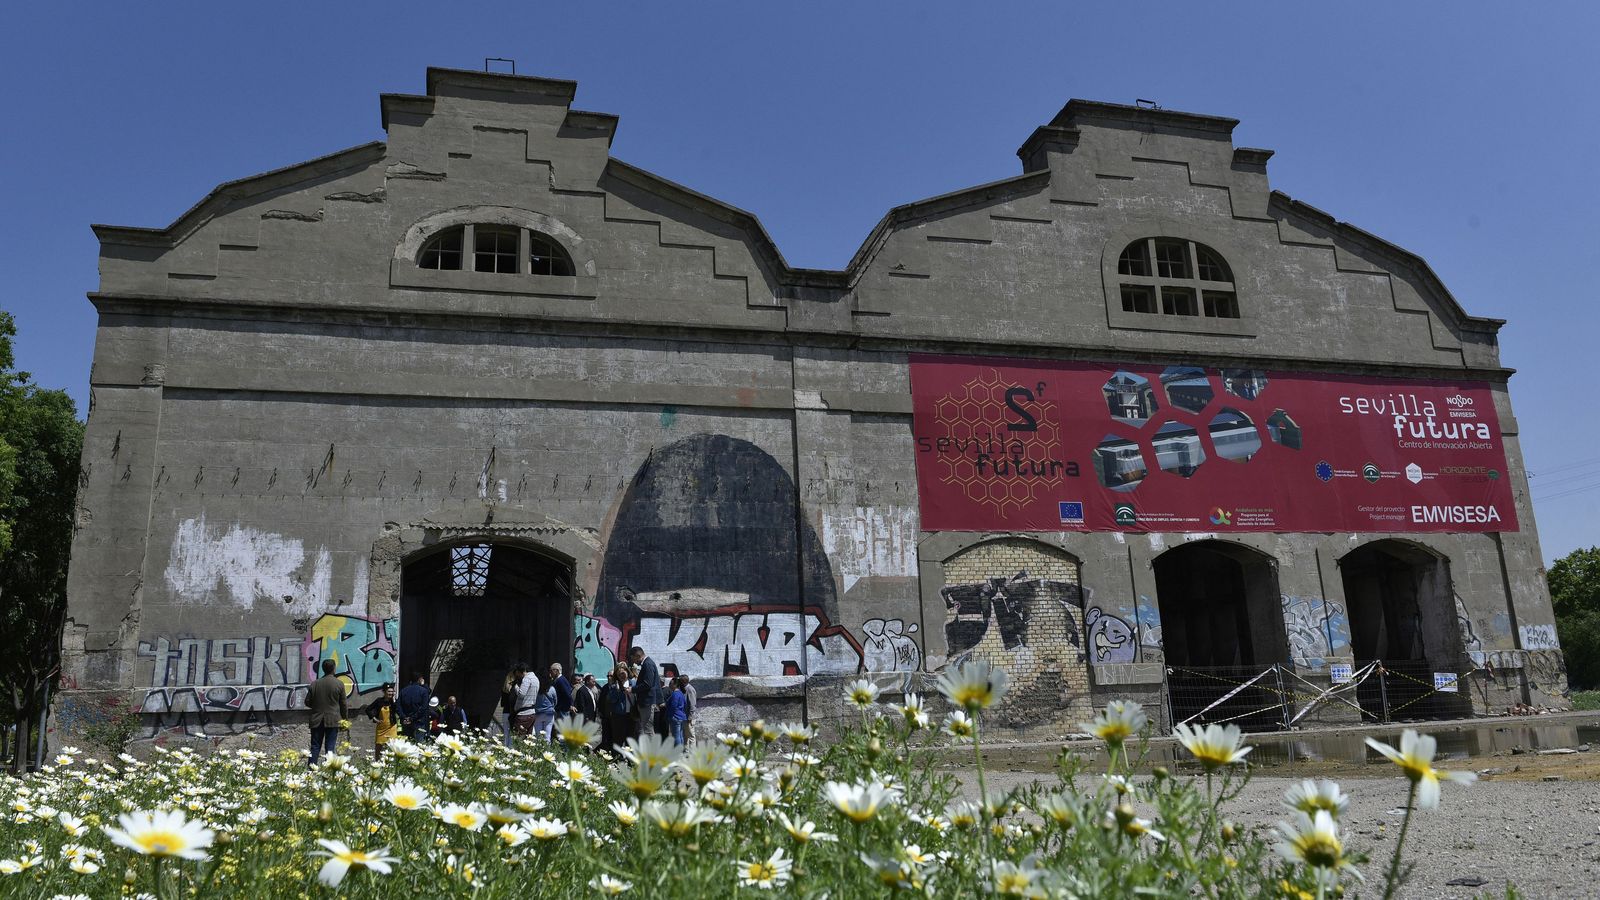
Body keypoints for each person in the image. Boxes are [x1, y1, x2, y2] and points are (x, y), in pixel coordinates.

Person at [304, 658, 347, 766]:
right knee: (330, 748)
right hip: (333, 719)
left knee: (315, 746)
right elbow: (343, 704)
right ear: (334, 669)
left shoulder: (315, 684)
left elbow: (307, 702)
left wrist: (317, 706)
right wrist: (344, 720)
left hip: (316, 720)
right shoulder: (339, 684)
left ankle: (311, 771)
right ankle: (328, 771)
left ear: (323, 669)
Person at [629, 646, 662, 739]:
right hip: (647, 701)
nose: (634, 662)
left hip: (647, 702)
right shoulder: (648, 663)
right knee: (647, 729)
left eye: (633, 658)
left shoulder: (647, 664)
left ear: (637, 655)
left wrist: (632, 689)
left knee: (648, 730)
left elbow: (647, 684)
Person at [601, 665, 632, 751]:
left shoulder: (633, 683)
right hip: (619, 716)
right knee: (618, 740)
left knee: (631, 741)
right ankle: (618, 760)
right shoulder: (614, 686)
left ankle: (630, 762)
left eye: (622, 673)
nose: (621, 676)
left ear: (627, 672)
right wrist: (617, 690)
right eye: (618, 675)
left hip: (632, 715)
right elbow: (612, 700)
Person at [364, 683, 398, 759]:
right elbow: (368, 709)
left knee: (393, 746)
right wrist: (374, 718)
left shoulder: (394, 702)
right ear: (384, 692)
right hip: (381, 728)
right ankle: (377, 761)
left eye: (392, 692)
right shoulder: (379, 701)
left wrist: (394, 702)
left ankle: (391, 762)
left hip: (392, 727)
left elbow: (398, 710)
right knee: (379, 745)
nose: (391, 693)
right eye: (389, 691)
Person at [396, 671, 432, 743]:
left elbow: (398, 706)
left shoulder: (403, 691)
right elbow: (424, 707)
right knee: (419, 745)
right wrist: (412, 718)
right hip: (419, 722)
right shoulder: (423, 691)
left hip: (406, 722)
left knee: (407, 745)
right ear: (419, 679)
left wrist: (404, 717)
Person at [511, 662, 540, 736]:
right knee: (528, 740)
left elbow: (521, 694)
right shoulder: (535, 678)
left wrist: (516, 686)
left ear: (522, 671)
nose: (517, 675)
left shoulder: (526, 679)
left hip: (523, 714)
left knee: (518, 739)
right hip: (532, 713)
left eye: (517, 672)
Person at [532, 668, 558, 742]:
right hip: (549, 714)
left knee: (538, 737)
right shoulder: (552, 689)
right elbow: (555, 701)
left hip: (538, 713)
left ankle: (538, 752)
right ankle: (547, 751)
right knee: (547, 736)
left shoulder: (536, 689)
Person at [496, 667, 520, 747]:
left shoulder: (504, 689)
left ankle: (506, 751)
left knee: (506, 735)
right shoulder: (515, 688)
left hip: (505, 713)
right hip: (513, 713)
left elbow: (502, 703)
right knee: (513, 736)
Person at [666, 675, 690, 746]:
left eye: (670, 683)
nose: (669, 685)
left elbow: (673, 706)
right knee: (680, 735)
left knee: (676, 736)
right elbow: (685, 705)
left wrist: (669, 716)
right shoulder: (681, 693)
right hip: (681, 716)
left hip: (675, 717)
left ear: (674, 685)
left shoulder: (675, 694)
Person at [680, 673, 697, 746]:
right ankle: (686, 751)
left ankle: (692, 752)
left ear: (683, 682)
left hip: (689, 717)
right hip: (685, 716)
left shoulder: (690, 689)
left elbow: (692, 704)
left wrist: (690, 716)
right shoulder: (684, 689)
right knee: (685, 735)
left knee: (691, 735)